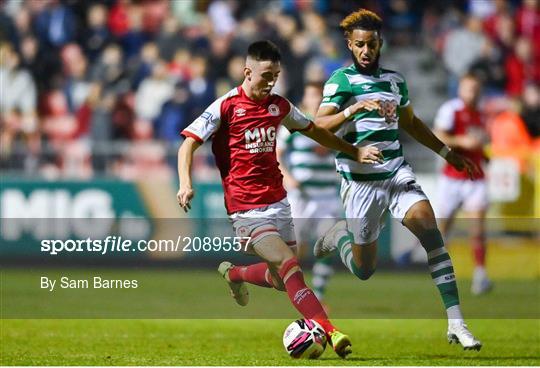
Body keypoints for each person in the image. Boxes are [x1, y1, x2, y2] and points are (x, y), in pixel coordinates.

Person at [177, 40, 380, 358]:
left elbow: (314, 130)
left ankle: (234, 274)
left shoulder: (279, 106)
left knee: (278, 277)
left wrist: (354, 151)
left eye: (276, 75)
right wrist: (185, 183)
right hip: (246, 209)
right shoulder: (225, 106)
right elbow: (187, 144)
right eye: (266, 75)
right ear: (247, 71)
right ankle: (330, 329)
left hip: (279, 202)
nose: (271, 82)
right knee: (289, 267)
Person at [313, 9, 483, 350]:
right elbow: (317, 126)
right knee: (364, 270)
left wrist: (448, 153)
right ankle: (338, 237)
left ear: (380, 44)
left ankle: (457, 323)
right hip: (360, 183)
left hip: (395, 173)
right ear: (349, 44)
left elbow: (412, 123)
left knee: (430, 231)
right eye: (359, 44)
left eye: (371, 44)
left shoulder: (394, 81)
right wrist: (354, 109)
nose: (365, 50)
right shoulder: (341, 81)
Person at [276, 81, 341, 305]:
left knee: (328, 245)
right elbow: (277, 154)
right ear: (304, 100)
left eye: (319, 96)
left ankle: (319, 297)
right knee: (297, 249)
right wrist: (287, 176)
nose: (316, 100)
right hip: (301, 196)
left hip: (326, 196)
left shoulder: (334, 125)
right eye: (312, 96)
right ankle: (298, 292)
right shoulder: (293, 124)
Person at [433, 74, 492, 295]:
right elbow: (437, 135)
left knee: (477, 227)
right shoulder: (451, 110)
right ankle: (441, 274)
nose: (472, 92)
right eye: (469, 88)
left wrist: (484, 154)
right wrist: (461, 142)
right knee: (443, 229)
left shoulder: (482, 113)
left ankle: (480, 275)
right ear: (460, 89)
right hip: (452, 177)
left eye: (476, 88)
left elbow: (481, 141)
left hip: (475, 177)